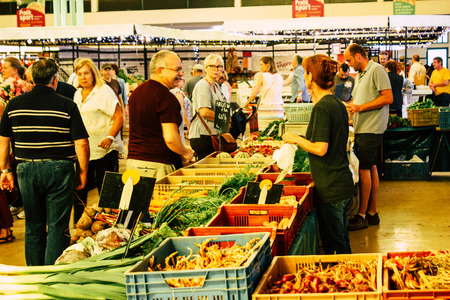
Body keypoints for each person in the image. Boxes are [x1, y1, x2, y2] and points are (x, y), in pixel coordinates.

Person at [0, 58, 89, 265]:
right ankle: (52, 273)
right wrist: (83, 171)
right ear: (55, 79)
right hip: (60, 169)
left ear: (31, 79)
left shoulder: (14, 104)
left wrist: (5, 170)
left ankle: (35, 273)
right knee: (58, 226)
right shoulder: (67, 104)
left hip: (26, 169)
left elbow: (4, 142)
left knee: (33, 224)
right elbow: (81, 143)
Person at [282, 54, 354, 254]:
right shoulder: (336, 103)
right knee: (341, 242)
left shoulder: (323, 108)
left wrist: (295, 139)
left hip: (331, 188)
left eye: (305, 73)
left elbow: (320, 148)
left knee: (335, 249)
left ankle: (347, 284)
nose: (304, 77)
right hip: (341, 182)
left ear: (311, 78)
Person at [344, 43, 393, 231]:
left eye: (349, 60)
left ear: (358, 55)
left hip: (371, 129)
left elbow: (387, 98)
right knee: (370, 167)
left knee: (364, 170)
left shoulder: (377, 69)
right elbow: (356, 101)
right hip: (362, 127)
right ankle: (372, 213)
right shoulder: (362, 75)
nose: (348, 64)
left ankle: (362, 215)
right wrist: (344, 107)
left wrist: (360, 108)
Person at [127, 50, 193, 179]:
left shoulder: (137, 92)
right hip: (157, 165)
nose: (180, 74)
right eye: (177, 69)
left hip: (134, 164)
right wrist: (186, 152)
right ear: (160, 71)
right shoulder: (166, 97)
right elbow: (171, 139)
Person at [73, 58, 124, 223]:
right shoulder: (77, 94)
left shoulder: (104, 91)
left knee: (108, 191)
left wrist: (110, 137)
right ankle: (80, 226)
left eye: (86, 73)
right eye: (79, 74)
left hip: (104, 148)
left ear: (93, 74)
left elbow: (119, 117)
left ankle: (111, 224)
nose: (83, 77)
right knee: (80, 187)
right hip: (83, 149)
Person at [1, 57, 31, 220]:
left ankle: (24, 203)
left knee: (17, 166)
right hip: (15, 132)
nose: (3, 70)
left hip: (16, 133)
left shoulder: (17, 86)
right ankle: (18, 202)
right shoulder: (14, 85)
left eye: (5, 68)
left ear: (15, 70)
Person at [189, 54, 229, 160]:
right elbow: (205, 112)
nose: (216, 69)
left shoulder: (215, 85)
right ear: (206, 68)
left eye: (219, 66)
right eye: (212, 66)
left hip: (212, 135)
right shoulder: (203, 85)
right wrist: (225, 121)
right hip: (203, 136)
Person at [171, 75, 191, 140]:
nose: (184, 82)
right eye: (182, 80)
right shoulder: (177, 92)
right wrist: (187, 123)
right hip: (182, 121)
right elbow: (181, 108)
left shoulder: (176, 91)